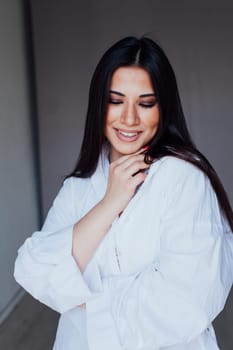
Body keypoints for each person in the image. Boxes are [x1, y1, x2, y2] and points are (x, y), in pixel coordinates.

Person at [14, 36, 233, 350]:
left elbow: (188, 301)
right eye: (115, 100)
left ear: (164, 108)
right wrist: (109, 203)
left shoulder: (183, 178)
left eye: (145, 103)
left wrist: (82, 300)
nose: (129, 118)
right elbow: (31, 271)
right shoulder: (78, 187)